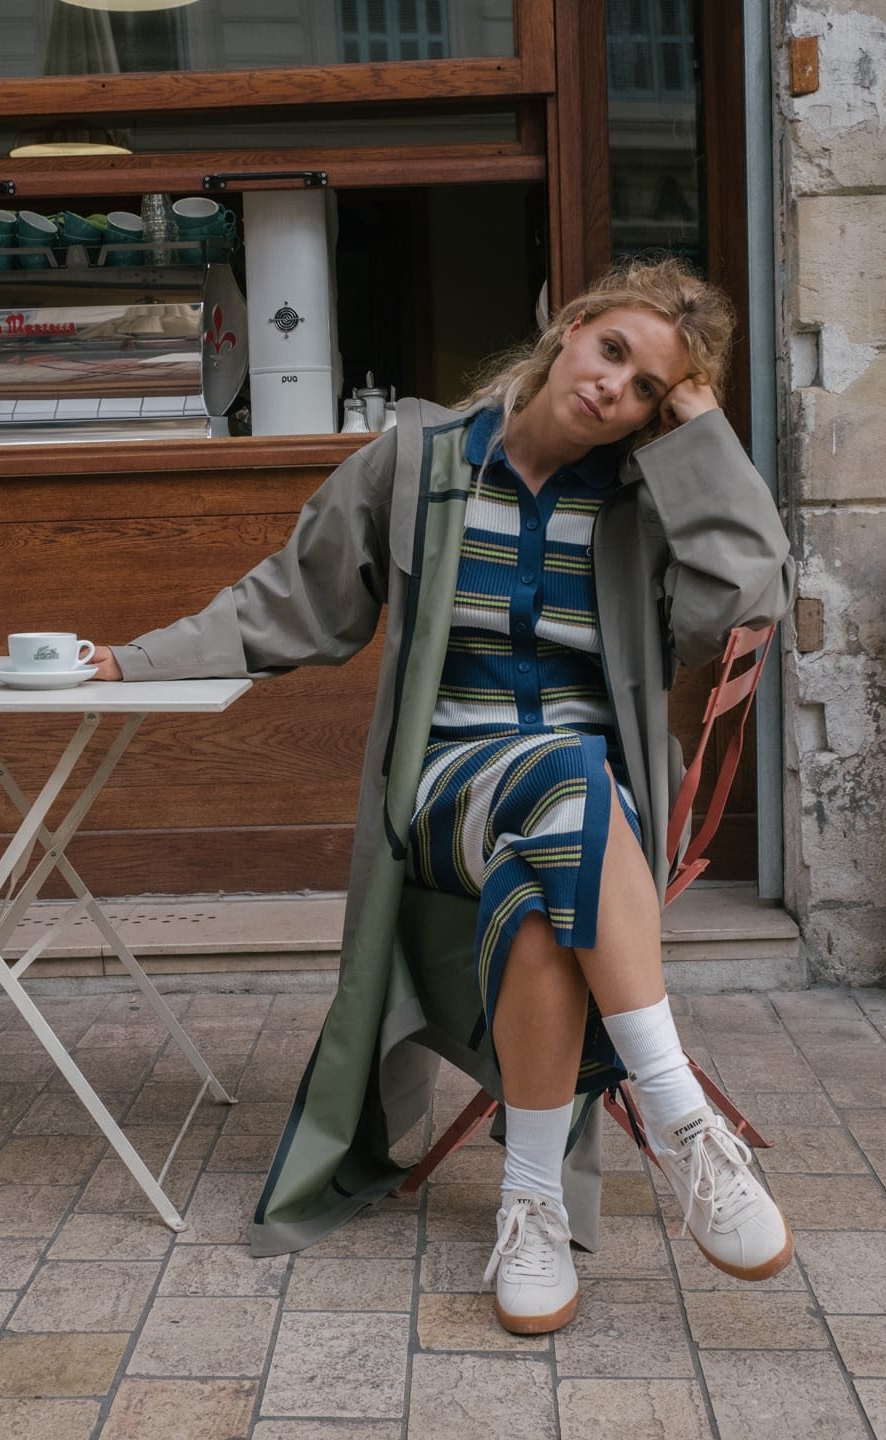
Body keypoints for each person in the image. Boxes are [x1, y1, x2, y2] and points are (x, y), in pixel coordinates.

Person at [91, 256, 795, 1337]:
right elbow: (288, 601)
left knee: (541, 876)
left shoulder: (646, 503)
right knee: (567, 772)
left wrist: (699, 430)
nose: (614, 388)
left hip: (583, 824)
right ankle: (681, 1116)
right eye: (612, 351)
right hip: (443, 795)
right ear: (569, 329)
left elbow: (746, 597)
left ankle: (530, 1206)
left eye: (649, 389)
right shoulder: (417, 463)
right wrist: (134, 660)